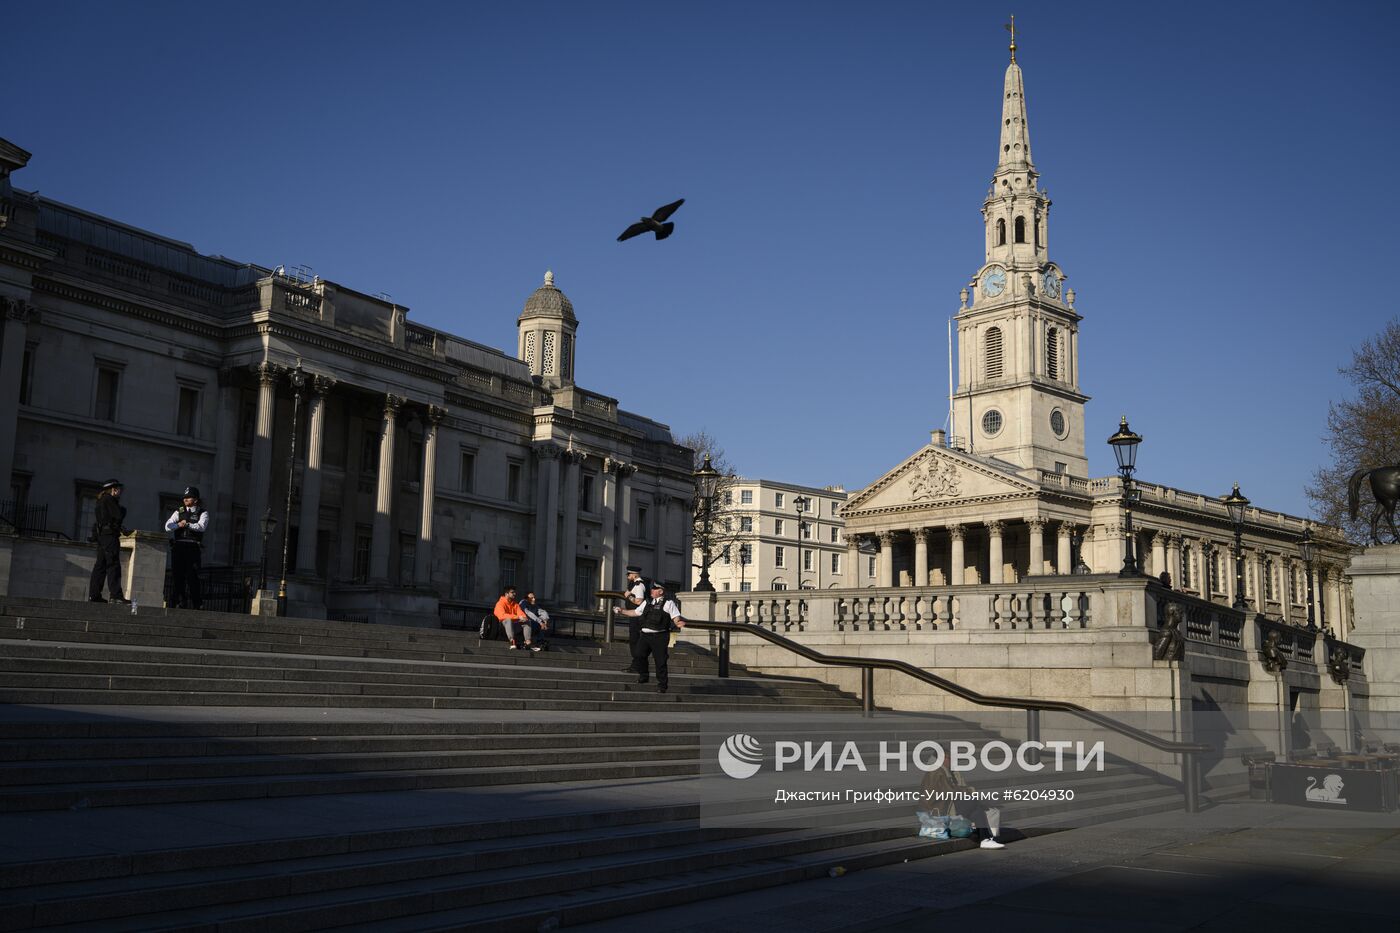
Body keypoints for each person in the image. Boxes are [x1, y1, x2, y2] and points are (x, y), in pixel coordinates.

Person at [614, 581, 685, 693]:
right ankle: (644, 675)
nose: (652, 590)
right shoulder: (647, 602)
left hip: (660, 636)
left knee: (660, 661)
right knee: (638, 654)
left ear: (661, 591)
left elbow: (676, 617)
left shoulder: (669, 603)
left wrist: (678, 623)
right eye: (652, 588)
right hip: (645, 635)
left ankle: (662, 685)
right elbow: (636, 612)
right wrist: (622, 611)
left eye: (655, 589)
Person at [916, 764, 1005, 849]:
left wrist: (965, 791)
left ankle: (985, 840)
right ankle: (985, 838)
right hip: (941, 808)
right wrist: (966, 791)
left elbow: (959, 789)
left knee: (977, 811)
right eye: (951, 757)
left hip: (952, 804)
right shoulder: (936, 772)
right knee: (974, 803)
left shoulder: (951, 771)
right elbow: (947, 792)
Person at [164, 485, 209, 609]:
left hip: (192, 547)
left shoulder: (202, 512)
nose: (185, 499)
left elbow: (202, 527)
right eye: (185, 497)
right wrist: (178, 524)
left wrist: (188, 524)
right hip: (179, 546)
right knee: (177, 575)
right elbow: (167, 526)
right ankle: (179, 601)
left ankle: (197, 603)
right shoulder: (179, 511)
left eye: (189, 497)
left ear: (195, 499)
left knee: (192, 575)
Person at [87, 479, 132, 604]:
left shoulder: (100, 501)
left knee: (100, 566)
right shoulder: (109, 500)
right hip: (110, 537)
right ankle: (116, 595)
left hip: (102, 536)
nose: (120, 492)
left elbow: (104, 520)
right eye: (119, 490)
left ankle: (94, 595)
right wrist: (122, 510)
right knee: (113, 565)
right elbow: (118, 515)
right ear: (114, 489)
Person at [620, 566, 650, 673]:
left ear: (635, 575)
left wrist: (628, 597)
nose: (628, 577)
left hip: (637, 617)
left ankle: (637, 664)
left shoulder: (639, 585)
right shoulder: (634, 584)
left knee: (635, 641)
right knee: (634, 641)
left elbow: (639, 601)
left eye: (629, 575)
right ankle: (636, 664)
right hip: (635, 616)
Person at [493, 586, 541, 652]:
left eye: (515, 592)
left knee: (527, 621)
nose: (514, 594)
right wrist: (518, 617)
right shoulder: (500, 603)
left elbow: (521, 614)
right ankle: (512, 641)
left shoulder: (515, 605)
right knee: (508, 619)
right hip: (502, 627)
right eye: (512, 592)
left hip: (514, 627)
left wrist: (524, 618)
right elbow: (502, 616)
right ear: (506, 594)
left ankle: (528, 642)